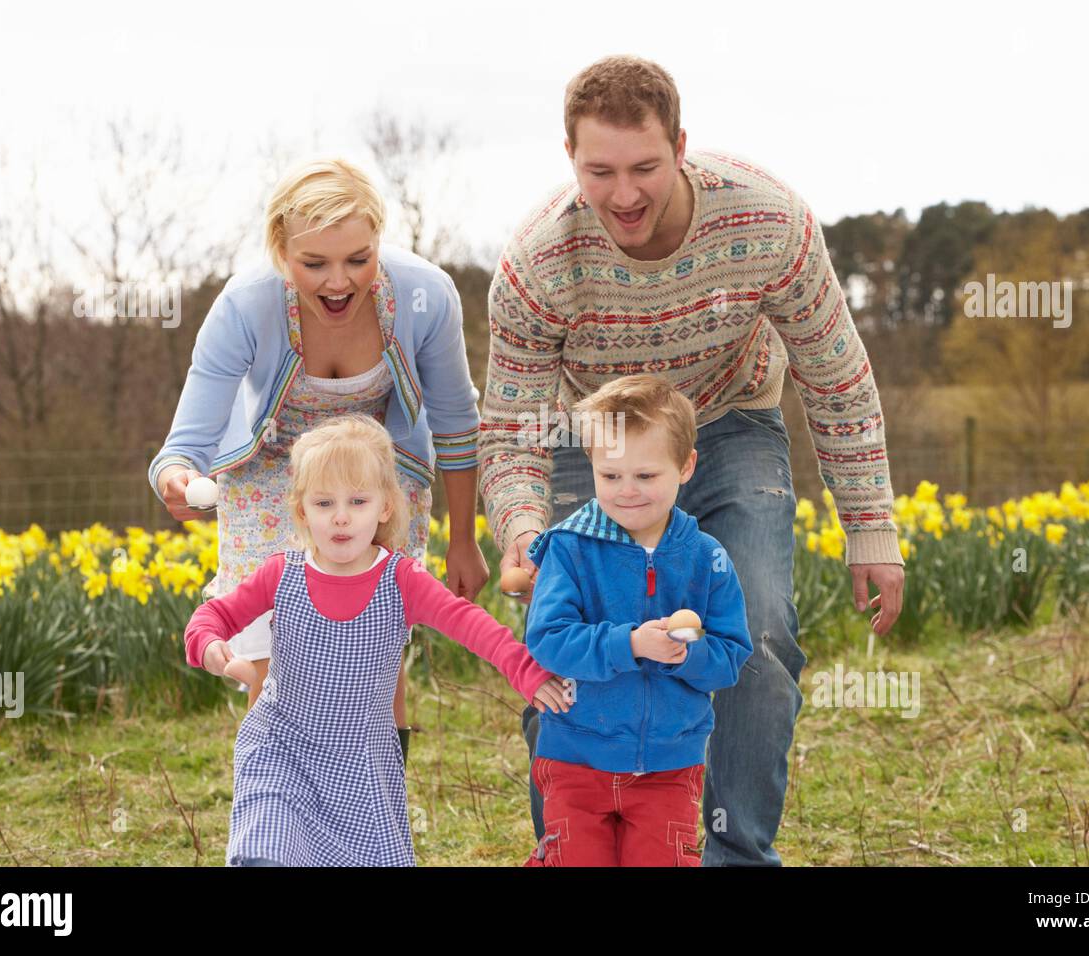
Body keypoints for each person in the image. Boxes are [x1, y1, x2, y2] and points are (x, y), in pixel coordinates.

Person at [479, 56, 906, 866]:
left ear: (681, 146)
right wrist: (525, 528)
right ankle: (577, 848)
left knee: (762, 628)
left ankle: (733, 852)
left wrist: (871, 528)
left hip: (729, 421)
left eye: (644, 166)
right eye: (599, 171)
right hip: (598, 445)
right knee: (561, 639)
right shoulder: (538, 265)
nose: (625, 193)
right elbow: (513, 426)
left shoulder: (768, 222)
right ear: (570, 158)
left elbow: (836, 378)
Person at [149, 157, 490, 760]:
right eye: (315, 264)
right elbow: (187, 441)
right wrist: (177, 479)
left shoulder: (424, 296)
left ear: (379, 242)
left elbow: (458, 426)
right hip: (271, 478)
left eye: (359, 259)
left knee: (377, 648)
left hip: (372, 478)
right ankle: (276, 814)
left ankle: (374, 808)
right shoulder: (245, 306)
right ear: (281, 251)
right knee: (269, 654)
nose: (340, 281)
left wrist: (463, 539)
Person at [184, 415, 572, 866]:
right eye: (324, 502)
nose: (341, 516)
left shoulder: (401, 580)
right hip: (281, 748)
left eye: (358, 500)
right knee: (265, 852)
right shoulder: (281, 574)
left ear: (385, 506)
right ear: (302, 511)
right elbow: (212, 615)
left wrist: (527, 672)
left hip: (362, 766)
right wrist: (211, 648)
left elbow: (474, 627)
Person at [519, 375, 752, 866]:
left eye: (646, 476)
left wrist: (686, 654)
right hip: (574, 759)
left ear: (685, 466)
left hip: (670, 765)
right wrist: (631, 645)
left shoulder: (706, 558)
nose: (627, 492)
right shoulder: (569, 549)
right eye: (611, 476)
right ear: (593, 468)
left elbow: (731, 656)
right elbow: (547, 640)